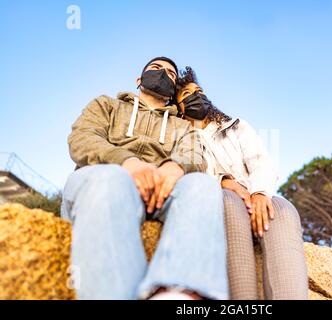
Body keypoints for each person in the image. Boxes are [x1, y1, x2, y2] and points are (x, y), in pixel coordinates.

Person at [61, 57, 229, 300]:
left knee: (202, 185)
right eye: (156, 68)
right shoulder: (106, 105)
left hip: (160, 189)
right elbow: (83, 138)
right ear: (139, 80)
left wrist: (173, 167)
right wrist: (128, 163)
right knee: (110, 179)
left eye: (171, 74)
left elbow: (194, 153)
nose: (163, 73)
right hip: (105, 177)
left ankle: (177, 292)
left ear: (173, 91)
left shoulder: (182, 126)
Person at [176, 67, 308, 300]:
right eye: (187, 94)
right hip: (221, 201)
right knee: (229, 201)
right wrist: (224, 182)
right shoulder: (179, 136)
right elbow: (188, 174)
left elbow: (261, 162)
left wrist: (258, 193)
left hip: (253, 197)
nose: (197, 96)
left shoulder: (235, 126)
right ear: (179, 107)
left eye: (200, 91)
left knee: (283, 208)